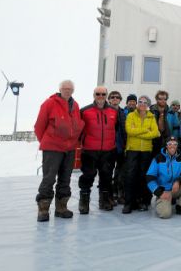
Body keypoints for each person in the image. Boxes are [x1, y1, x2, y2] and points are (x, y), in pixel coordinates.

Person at [34, 80, 85, 222]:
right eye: (64, 88)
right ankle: (43, 209)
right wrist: (46, 141)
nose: (67, 91)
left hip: (69, 148)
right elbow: (39, 126)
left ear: (73, 90)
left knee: (65, 178)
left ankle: (61, 208)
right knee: (49, 178)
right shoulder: (49, 103)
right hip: (53, 148)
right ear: (60, 89)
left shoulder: (75, 105)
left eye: (70, 89)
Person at [78, 86, 119, 214]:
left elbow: (117, 128)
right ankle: (84, 201)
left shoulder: (114, 111)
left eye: (103, 94)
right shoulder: (85, 111)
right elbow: (79, 129)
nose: (100, 97)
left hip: (108, 150)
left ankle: (104, 200)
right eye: (98, 94)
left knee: (106, 175)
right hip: (89, 150)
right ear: (93, 95)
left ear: (106, 95)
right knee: (88, 175)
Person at [123, 95, 160, 214]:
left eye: (145, 102)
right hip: (132, 149)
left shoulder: (151, 117)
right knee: (130, 176)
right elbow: (129, 130)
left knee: (143, 176)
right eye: (140, 101)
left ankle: (141, 201)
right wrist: (145, 130)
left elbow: (155, 133)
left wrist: (137, 132)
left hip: (146, 151)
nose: (142, 104)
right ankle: (129, 203)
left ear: (148, 105)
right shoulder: (130, 115)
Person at [146, 136, 181, 218]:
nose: (172, 146)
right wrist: (159, 193)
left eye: (175, 144)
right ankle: (161, 201)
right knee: (165, 214)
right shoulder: (158, 158)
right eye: (170, 144)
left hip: (176, 188)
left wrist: (178, 181)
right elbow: (150, 177)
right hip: (164, 191)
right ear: (166, 146)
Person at [107, 90, 126, 205]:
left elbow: (125, 131)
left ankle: (119, 193)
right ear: (109, 99)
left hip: (121, 146)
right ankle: (108, 195)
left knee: (120, 172)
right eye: (112, 97)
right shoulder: (105, 111)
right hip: (108, 147)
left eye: (117, 97)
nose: (115, 99)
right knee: (107, 172)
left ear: (120, 100)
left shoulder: (123, 113)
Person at [150, 90, 173, 159]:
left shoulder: (170, 112)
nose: (163, 101)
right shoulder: (151, 111)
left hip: (166, 141)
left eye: (164, 99)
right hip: (154, 142)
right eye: (160, 99)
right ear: (156, 99)